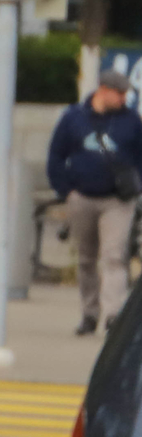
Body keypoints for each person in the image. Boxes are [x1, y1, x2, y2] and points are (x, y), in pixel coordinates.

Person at [46, 69, 142, 335]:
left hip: (117, 200)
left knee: (114, 257)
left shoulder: (131, 120)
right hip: (82, 197)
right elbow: (56, 155)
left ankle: (113, 316)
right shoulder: (74, 118)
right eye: (119, 94)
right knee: (87, 259)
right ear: (104, 90)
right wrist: (65, 190)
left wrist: (136, 186)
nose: (124, 99)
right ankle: (89, 313)